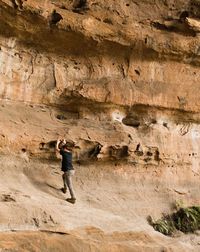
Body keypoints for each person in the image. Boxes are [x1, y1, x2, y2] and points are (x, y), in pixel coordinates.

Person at [56, 139, 76, 204]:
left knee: (70, 185)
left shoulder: (64, 152)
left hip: (68, 171)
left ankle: (73, 198)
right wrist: (64, 142)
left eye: (63, 147)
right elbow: (64, 147)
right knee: (63, 176)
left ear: (64, 148)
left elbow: (57, 149)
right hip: (72, 170)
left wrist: (58, 142)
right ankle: (64, 189)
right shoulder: (70, 153)